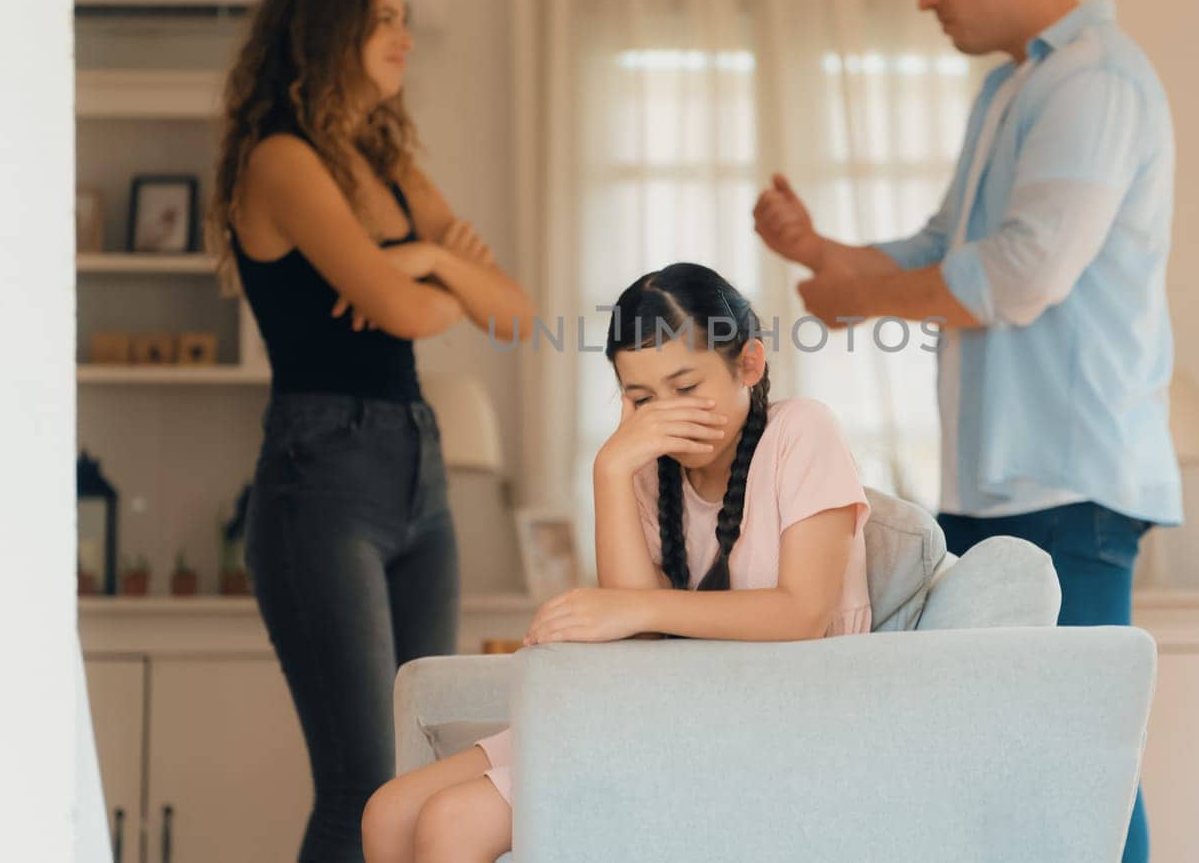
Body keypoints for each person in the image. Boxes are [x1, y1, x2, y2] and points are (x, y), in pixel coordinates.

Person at [752, 0, 1179, 863]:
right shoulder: (1011, 87)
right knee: (1010, 751)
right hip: (997, 480)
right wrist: (824, 256)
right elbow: (947, 244)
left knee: (1081, 746)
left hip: (1069, 476)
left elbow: (1021, 273)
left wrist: (858, 294)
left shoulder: (1097, 80)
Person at [360, 262, 871, 863]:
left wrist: (632, 606)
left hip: (767, 715)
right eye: (641, 398)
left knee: (454, 822)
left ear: (750, 365)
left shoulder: (801, 431)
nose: (665, 415)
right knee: (389, 812)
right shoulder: (647, 467)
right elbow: (643, 634)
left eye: (686, 388)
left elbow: (803, 615)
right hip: (661, 701)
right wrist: (610, 469)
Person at [207, 0, 536, 863]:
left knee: (411, 759)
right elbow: (401, 314)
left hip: (417, 473)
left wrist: (423, 261)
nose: (405, 37)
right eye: (383, 18)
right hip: (322, 478)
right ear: (328, 31)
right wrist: (426, 282)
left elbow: (512, 312)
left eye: (404, 17)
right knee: (361, 780)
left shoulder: (383, 166)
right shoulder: (282, 158)